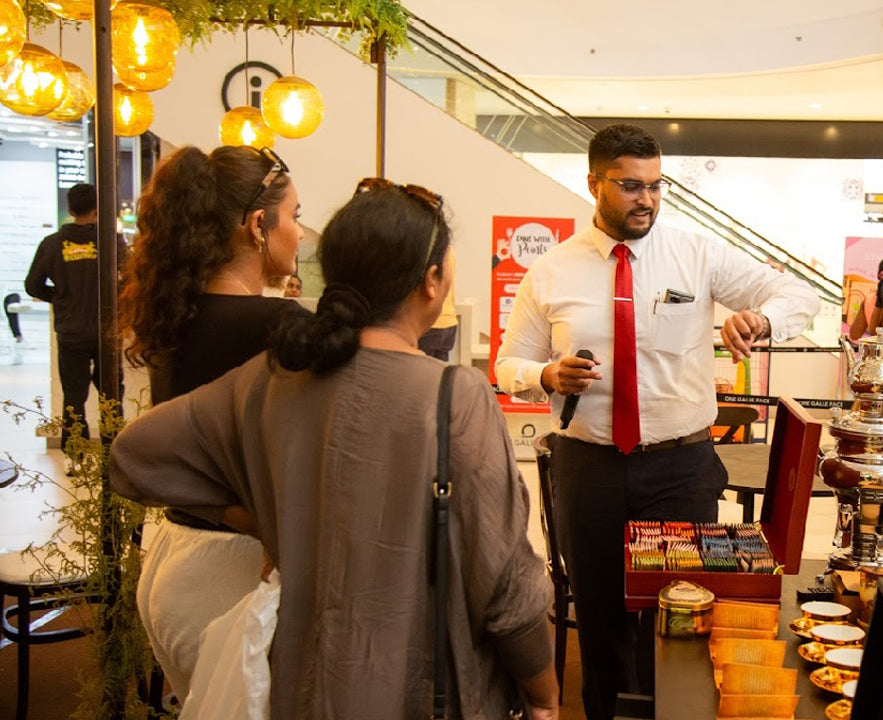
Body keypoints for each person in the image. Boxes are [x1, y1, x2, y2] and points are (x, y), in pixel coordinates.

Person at [110, 180, 558, 719]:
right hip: (423, 685)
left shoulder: (269, 377)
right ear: (432, 281)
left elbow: (134, 457)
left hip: (300, 682)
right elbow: (506, 583)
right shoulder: (454, 395)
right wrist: (544, 694)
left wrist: (264, 519)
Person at [494, 123, 819, 720]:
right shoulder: (553, 271)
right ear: (593, 183)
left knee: (679, 617)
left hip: (680, 469)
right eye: (629, 186)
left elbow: (799, 294)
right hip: (587, 465)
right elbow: (507, 361)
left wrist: (761, 323)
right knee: (600, 618)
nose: (646, 198)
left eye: (655, 185)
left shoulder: (695, 254)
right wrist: (545, 376)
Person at [116, 145, 307, 701]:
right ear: (257, 225)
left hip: (174, 555)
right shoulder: (274, 324)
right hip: (232, 570)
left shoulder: (173, 310)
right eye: (294, 215)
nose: (299, 232)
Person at [24, 183, 127, 448]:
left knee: (73, 397)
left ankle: (75, 456)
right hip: (106, 329)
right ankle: (112, 453)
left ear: (71, 209)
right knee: (111, 398)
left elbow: (32, 286)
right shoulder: (112, 242)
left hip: (70, 332)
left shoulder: (52, 244)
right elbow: (131, 279)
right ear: (97, 210)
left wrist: (60, 298)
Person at [418, 257, 457, 361]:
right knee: (441, 373)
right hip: (449, 321)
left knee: (422, 373)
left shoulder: (430, 249)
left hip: (430, 323)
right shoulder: (449, 250)